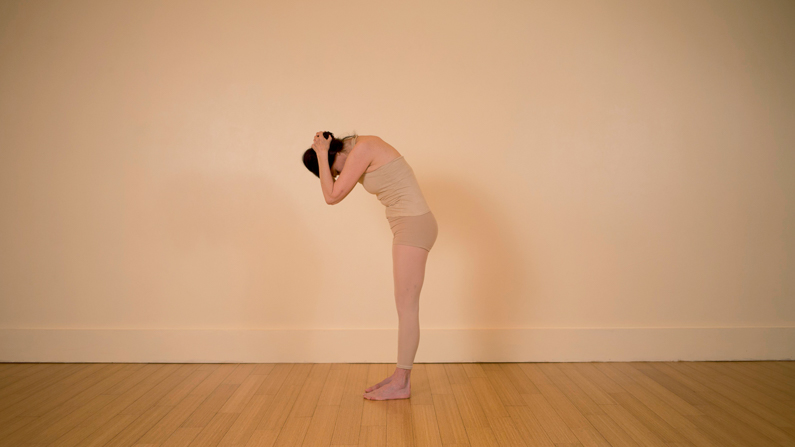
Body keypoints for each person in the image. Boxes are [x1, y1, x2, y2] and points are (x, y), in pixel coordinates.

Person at [303, 131, 438, 400]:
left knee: (407, 307)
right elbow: (333, 189)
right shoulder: (360, 147)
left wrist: (321, 153)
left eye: (334, 170)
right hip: (408, 224)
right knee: (404, 305)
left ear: (334, 152)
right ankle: (400, 377)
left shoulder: (363, 149)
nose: (339, 176)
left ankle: (401, 383)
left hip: (413, 226)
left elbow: (331, 196)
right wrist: (324, 155)